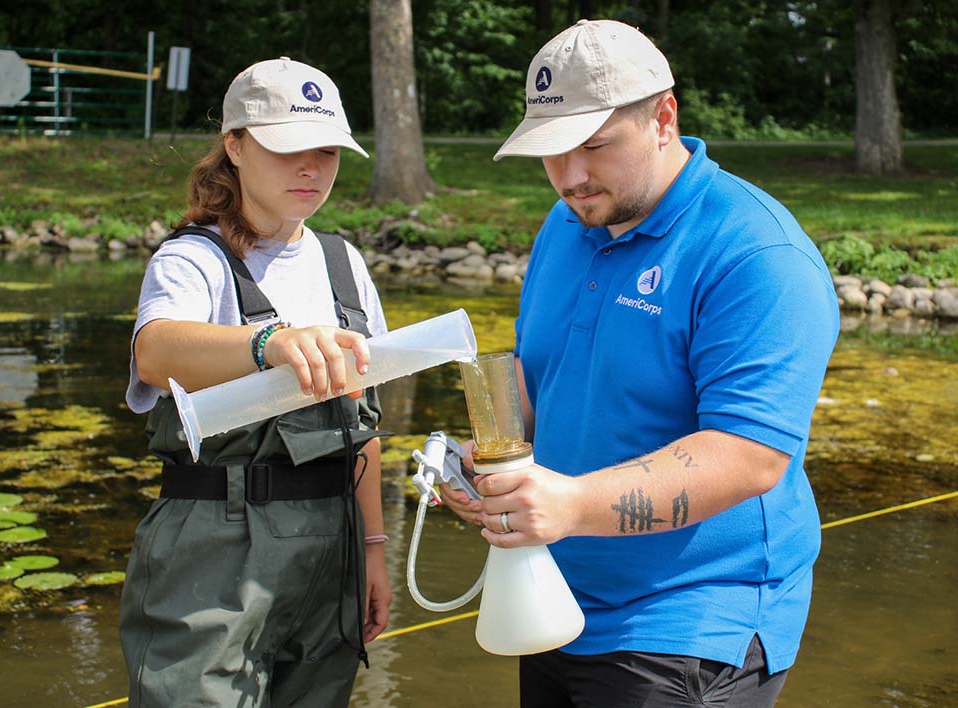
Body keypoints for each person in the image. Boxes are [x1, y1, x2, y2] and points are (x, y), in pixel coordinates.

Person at [442, 19, 839, 708]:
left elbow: (748, 456)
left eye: (593, 146)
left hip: (691, 623)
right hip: (553, 595)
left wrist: (567, 504)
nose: (569, 177)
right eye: (551, 152)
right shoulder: (568, 222)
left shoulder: (756, 255)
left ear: (663, 119)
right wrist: (489, 464)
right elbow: (544, 373)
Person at [119, 57, 391, 707]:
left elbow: (367, 426)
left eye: (326, 151)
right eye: (288, 148)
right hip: (214, 552)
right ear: (235, 146)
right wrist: (269, 343)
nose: (310, 168)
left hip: (334, 549)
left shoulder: (344, 264)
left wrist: (374, 549)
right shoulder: (193, 258)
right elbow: (155, 352)